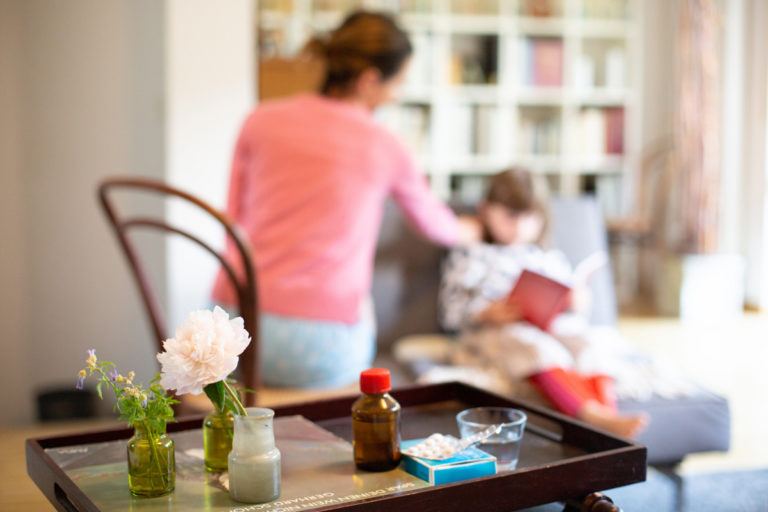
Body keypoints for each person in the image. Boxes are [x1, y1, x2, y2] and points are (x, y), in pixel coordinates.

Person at [213, 11, 477, 389]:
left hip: (230, 333)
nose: (395, 95)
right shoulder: (385, 144)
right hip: (315, 349)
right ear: (369, 79)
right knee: (360, 308)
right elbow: (436, 225)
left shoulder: (259, 120)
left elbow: (232, 219)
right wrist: (474, 229)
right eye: (397, 83)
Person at [438, 168, 648, 438]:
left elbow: (573, 306)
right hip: (494, 332)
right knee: (535, 346)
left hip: (548, 326)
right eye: (510, 216)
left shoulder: (546, 257)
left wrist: (576, 301)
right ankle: (592, 416)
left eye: (530, 217)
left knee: (586, 343)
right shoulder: (472, 252)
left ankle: (609, 413)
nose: (520, 227)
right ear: (486, 210)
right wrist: (485, 313)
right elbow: (449, 313)